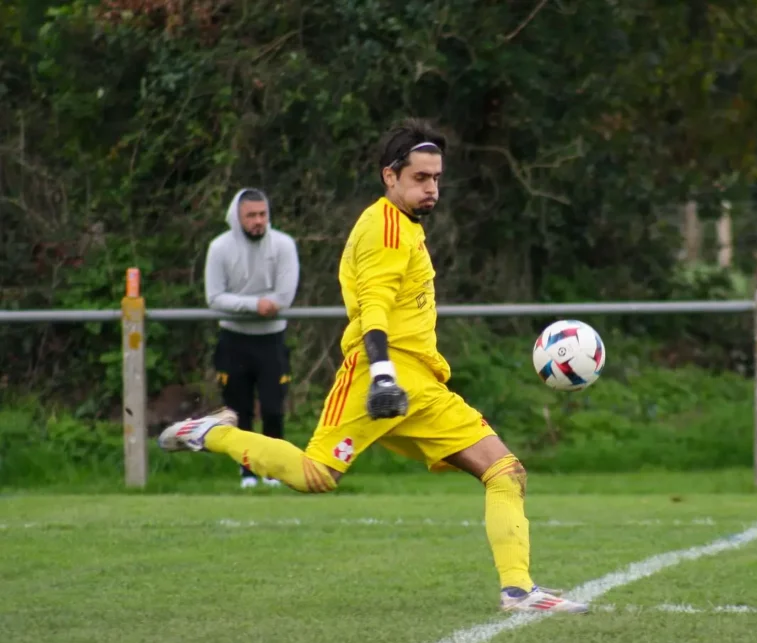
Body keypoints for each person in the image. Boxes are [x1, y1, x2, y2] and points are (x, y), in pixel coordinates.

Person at [161, 119, 586, 614]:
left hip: (422, 385)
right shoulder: (383, 227)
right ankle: (210, 432)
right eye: (420, 179)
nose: (432, 189)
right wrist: (383, 374)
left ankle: (518, 591)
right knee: (314, 474)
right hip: (379, 373)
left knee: (505, 471)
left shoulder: (406, 226)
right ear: (390, 177)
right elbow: (375, 309)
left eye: (436, 178)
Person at [204, 188, 300, 489]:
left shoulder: (284, 244)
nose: (258, 221)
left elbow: (285, 294)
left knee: (273, 408)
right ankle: (246, 472)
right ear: (238, 217)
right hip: (233, 339)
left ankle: (273, 470)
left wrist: (271, 305)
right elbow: (214, 297)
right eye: (251, 216)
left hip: (272, 340)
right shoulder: (219, 248)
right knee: (238, 409)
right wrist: (253, 305)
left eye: (263, 215)